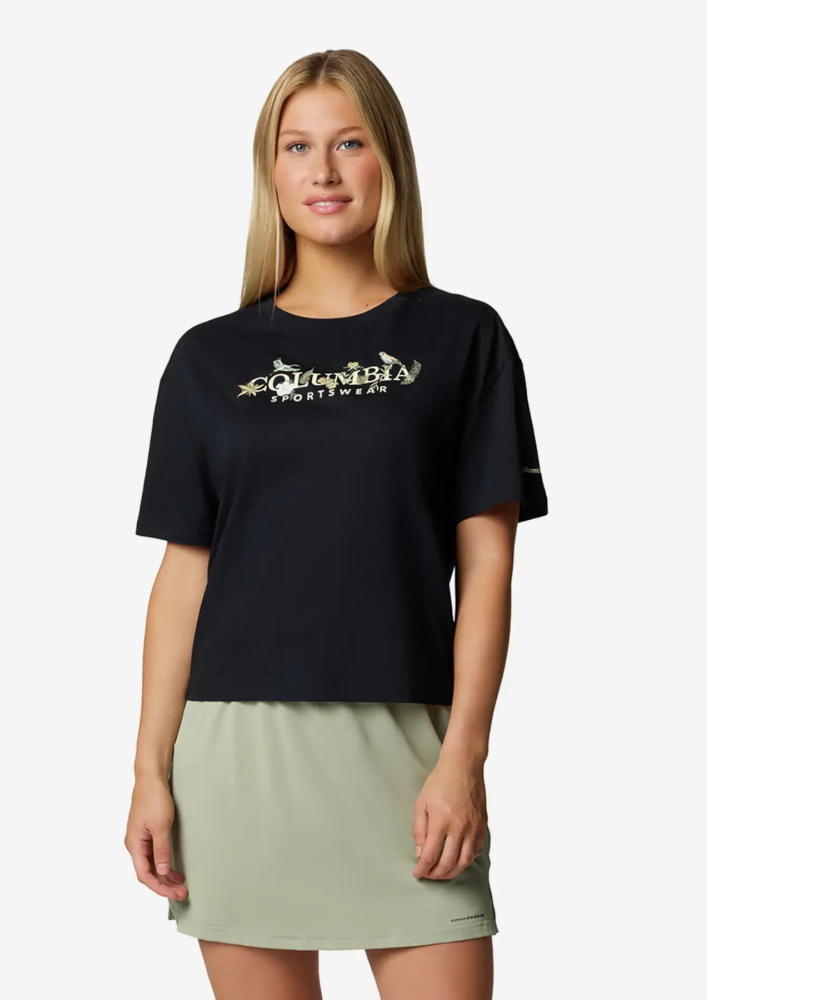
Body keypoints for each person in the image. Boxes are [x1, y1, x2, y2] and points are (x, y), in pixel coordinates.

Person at [124, 48, 549, 1000]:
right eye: (297, 146)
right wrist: (150, 770)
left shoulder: (465, 339)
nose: (323, 170)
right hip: (237, 759)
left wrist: (464, 757)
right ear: (270, 172)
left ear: (389, 160)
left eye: (350, 143)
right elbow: (183, 579)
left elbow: (487, 568)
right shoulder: (206, 359)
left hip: (407, 756)